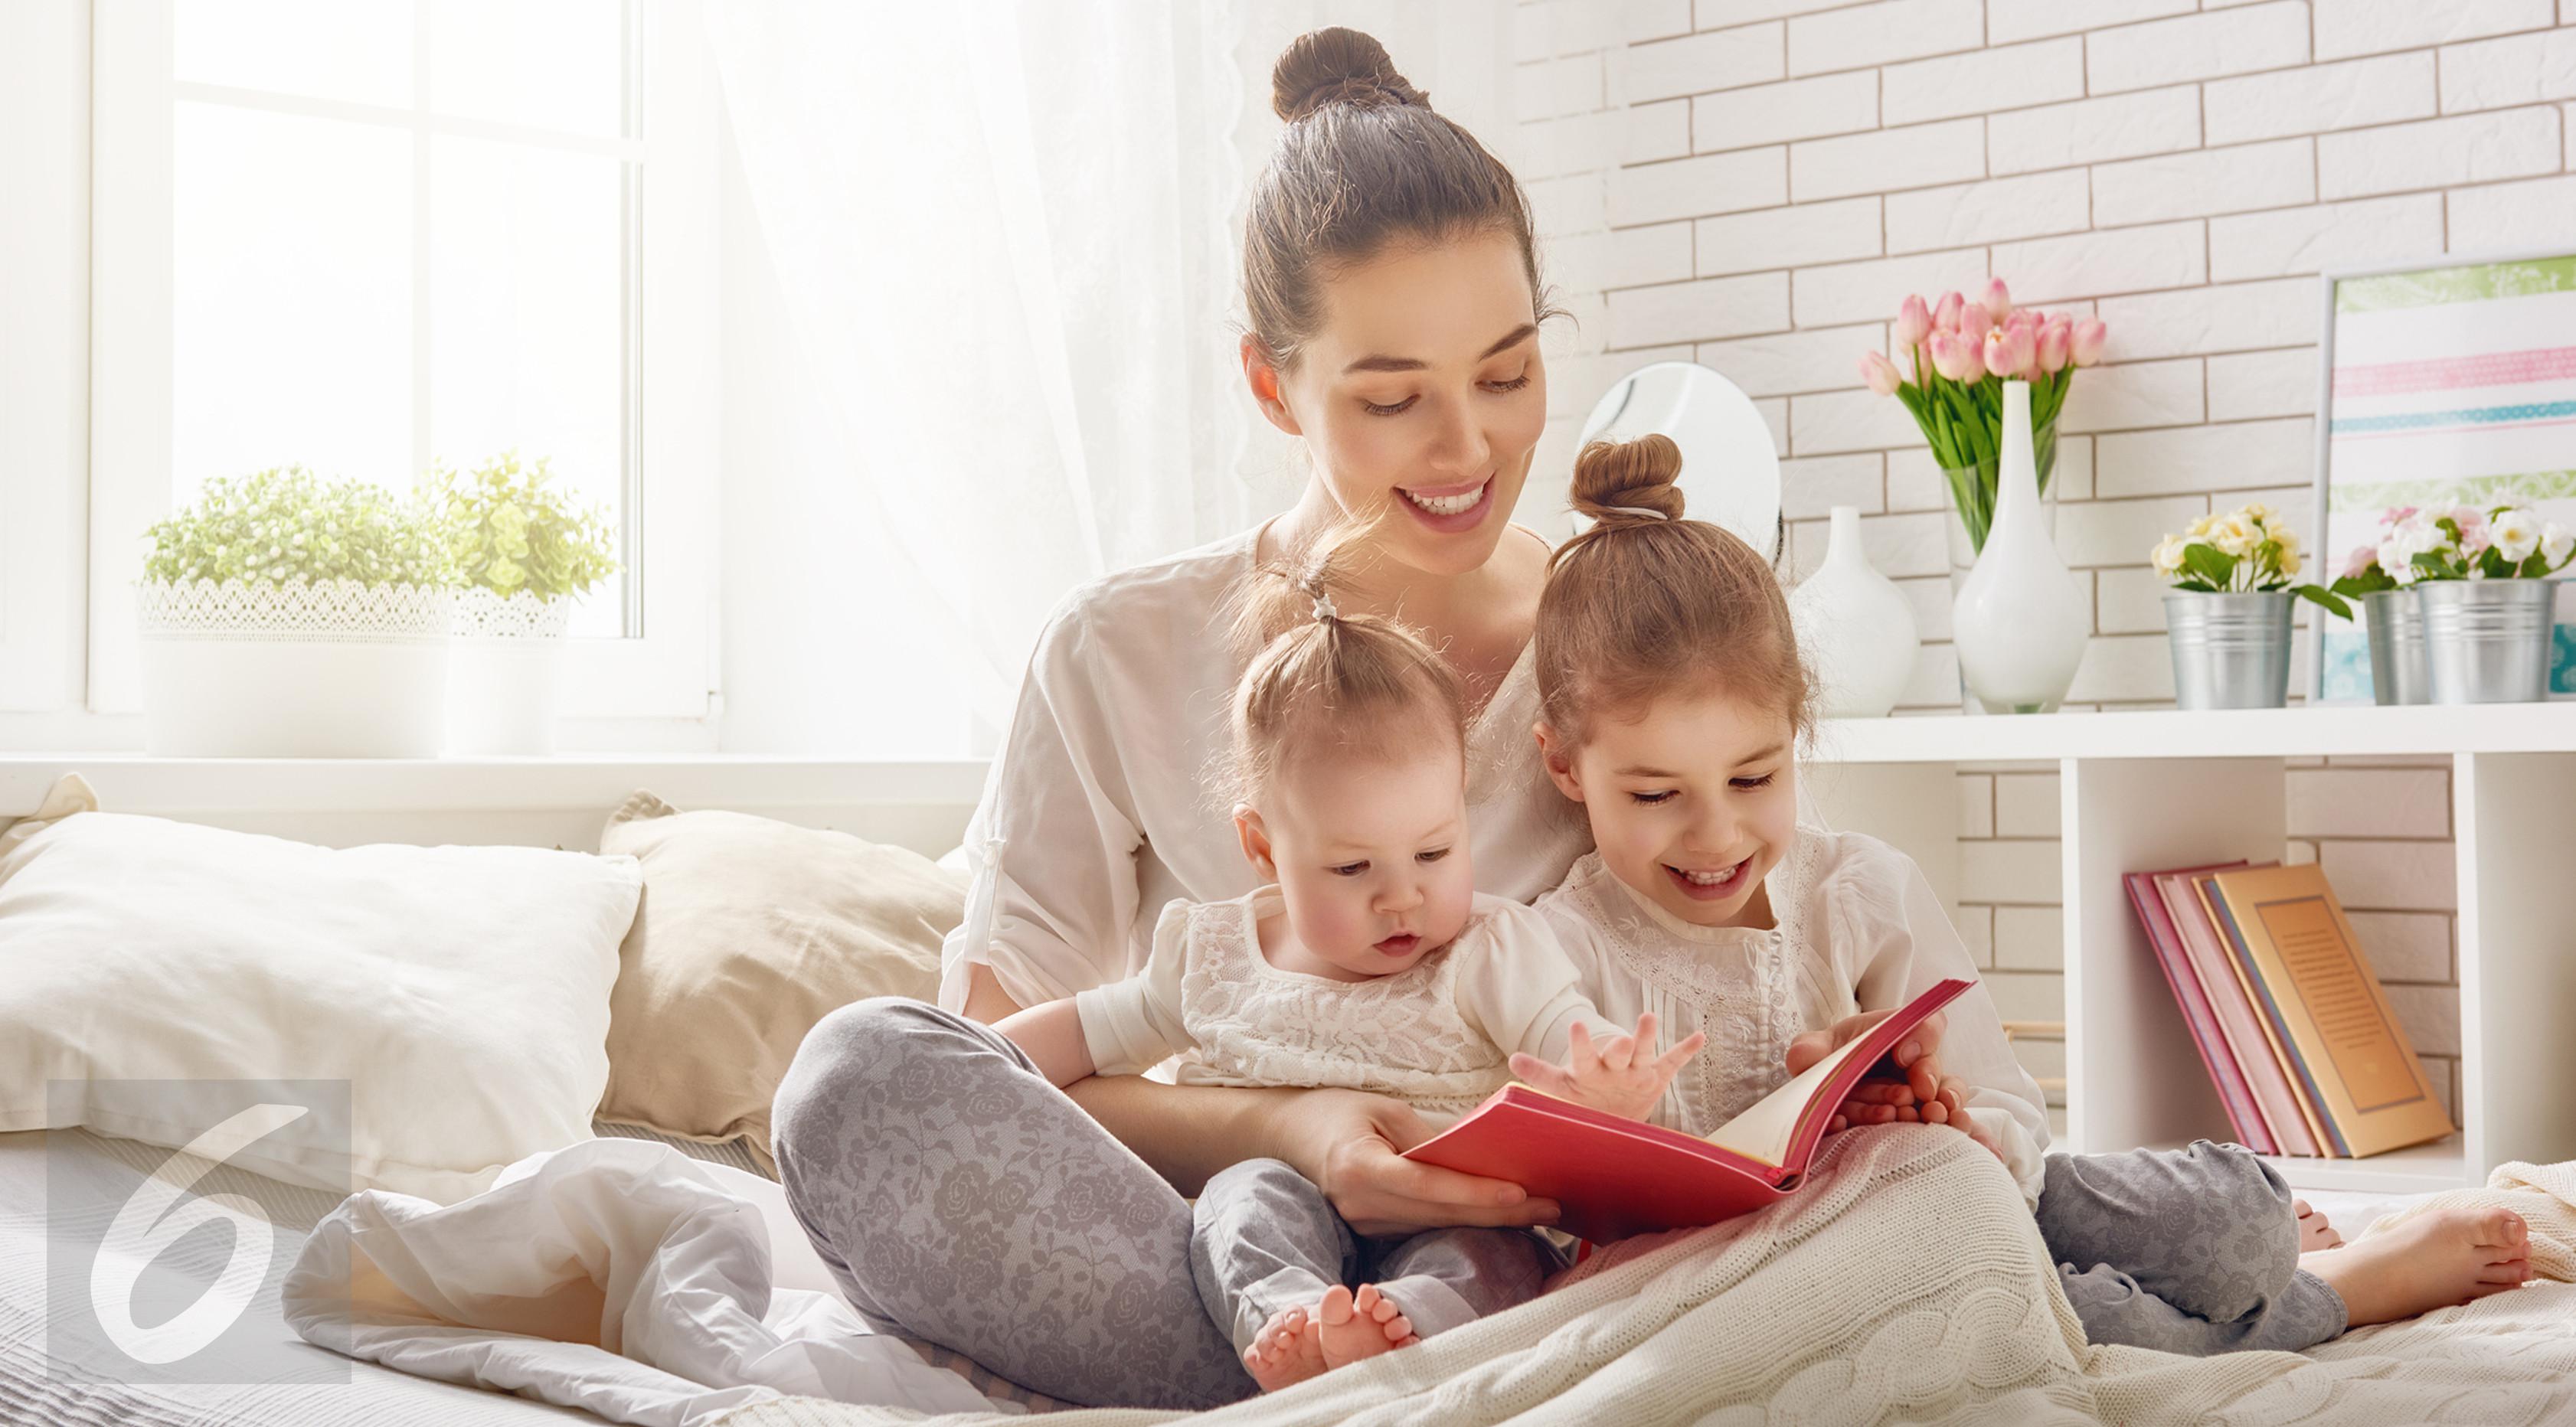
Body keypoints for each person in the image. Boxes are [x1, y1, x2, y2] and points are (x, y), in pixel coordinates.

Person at [768, 28, 1588, 1409]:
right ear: (1271, 384)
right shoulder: (1119, 650)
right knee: (857, 1082)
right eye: (1392, 398)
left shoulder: (1620, 635)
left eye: (1505, 376)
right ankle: (1373, 1371)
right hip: (1229, 1240)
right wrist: (1298, 1128)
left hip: (1562, 1252)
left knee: (1937, 1176)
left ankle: (1410, 1364)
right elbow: (995, 1076)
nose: (1468, 452)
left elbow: (1754, 971)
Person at [1523, 432, 2535, 1355]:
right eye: (1656, 795)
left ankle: (2283, 1255)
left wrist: (1943, 1123)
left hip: (1975, 1197)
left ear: (1797, 733)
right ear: (1565, 765)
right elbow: (1568, 1248)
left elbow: (2014, 1129)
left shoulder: (1861, 891)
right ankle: (2347, 1289)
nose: (1718, 835)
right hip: (1826, 1280)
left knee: (2237, 1222)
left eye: (1754, 778)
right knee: (2057, 1323)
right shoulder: (1551, 955)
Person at [991, 539, 1701, 1391]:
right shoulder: (1215, 957)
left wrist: (1608, 1081)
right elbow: (1084, 1031)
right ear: (1262, 846)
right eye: (1353, 868)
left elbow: (1567, 1038)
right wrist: (982, 1062)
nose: (1401, 899)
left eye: (1434, 851)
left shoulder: (1488, 948)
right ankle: (1293, 1327)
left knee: (1490, 1257)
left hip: (1453, 1214)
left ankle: (1414, 1341)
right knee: (1240, 1201)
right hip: (1287, 1203)